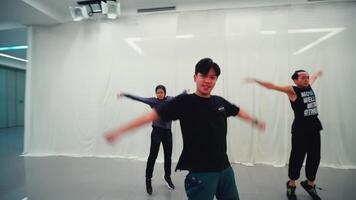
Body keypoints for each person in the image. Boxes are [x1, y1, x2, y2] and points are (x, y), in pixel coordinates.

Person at [105, 58, 265, 200]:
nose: (208, 81)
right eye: (203, 75)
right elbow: (151, 116)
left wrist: (256, 121)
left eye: (212, 77)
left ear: (216, 80)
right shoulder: (184, 102)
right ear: (195, 77)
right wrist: (120, 131)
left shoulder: (219, 102)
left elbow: (237, 111)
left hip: (225, 171)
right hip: (201, 174)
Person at [246, 69, 323, 200]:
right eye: (303, 77)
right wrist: (256, 81)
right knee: (297, 157)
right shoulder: (292, 90)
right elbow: (272, 86)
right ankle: (291, 185)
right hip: (300, 129)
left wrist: (317, 74)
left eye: (307, 77)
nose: (306, 79)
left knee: (315, 156)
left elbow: (314, 77)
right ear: (295, 80)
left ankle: (310, 184)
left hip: (314, 127)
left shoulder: (308, 85)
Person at [117, 85, 183, 195]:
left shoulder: (170, 100)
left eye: (162, 92)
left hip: (167, 133)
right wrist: (125, 95)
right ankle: (148, 180)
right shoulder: (153, 101)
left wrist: (185, 92)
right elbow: (139, 98)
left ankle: (167, 177)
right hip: (157, 132)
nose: (160, 94)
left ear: (165, 93)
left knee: (168, 156)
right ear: (156, 93)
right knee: (152, 156)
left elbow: (179, 98)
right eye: (158, 92)